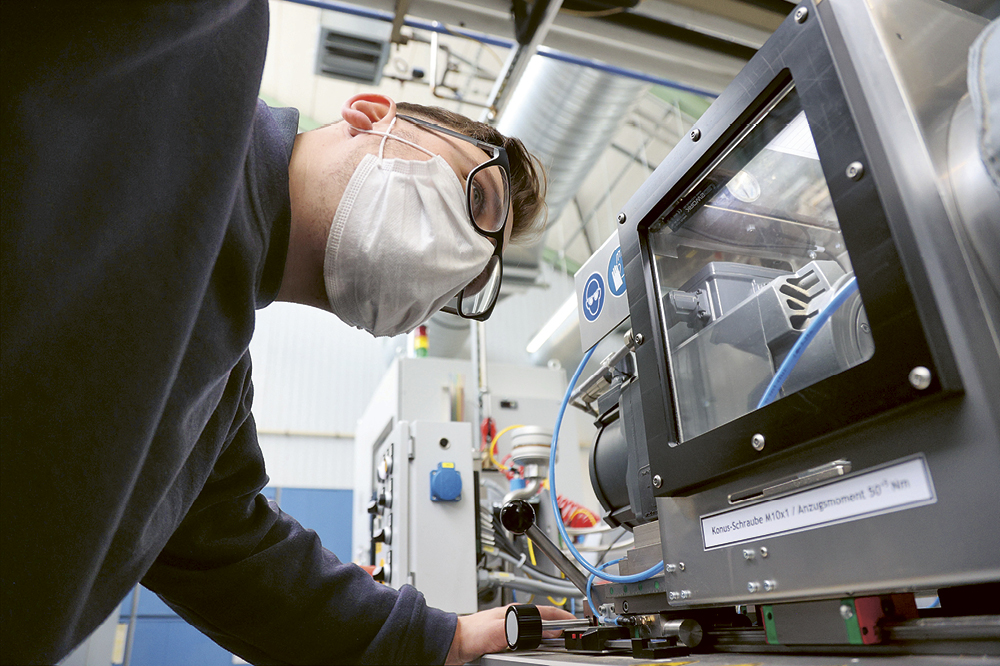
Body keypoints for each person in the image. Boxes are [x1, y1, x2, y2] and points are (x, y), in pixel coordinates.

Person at [0, 1, 575, 664]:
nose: (466, 259)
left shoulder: (203, 411)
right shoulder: (195, 40)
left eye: (471, 285)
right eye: (480, 200)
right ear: (371, 113)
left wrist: (444, 637)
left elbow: (239, 558)